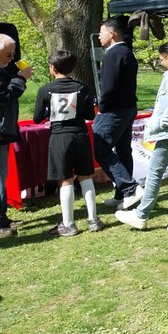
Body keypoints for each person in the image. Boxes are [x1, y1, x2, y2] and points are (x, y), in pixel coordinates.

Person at [114, 42, 168, 232]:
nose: (161, 63)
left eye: (161, 60)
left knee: (154, 173)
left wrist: (162, 122)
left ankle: (141, 215)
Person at [32, 50, 99, 236]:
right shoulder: (83, 88)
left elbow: (37, 118)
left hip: (60, 136)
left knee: (65, 180)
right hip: (80, 135)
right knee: (86, 176)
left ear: (52, 68)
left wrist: (49, 111)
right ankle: (93, 220)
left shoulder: (45, 90)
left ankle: (68, 224)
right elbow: (89, 115)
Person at [94, 18, 144, 211]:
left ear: (112, 33)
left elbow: (108, 87)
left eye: (101, 32)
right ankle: (123, 194)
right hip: (128, 107)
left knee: (102, 149)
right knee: (123, 150)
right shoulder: (126, 52)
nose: (99, 36)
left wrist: (102, 108)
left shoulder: (113, 54)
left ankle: (129, 189)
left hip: (114, 110)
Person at [0, 34, 33, 238]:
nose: (12, 58)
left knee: (2, 175)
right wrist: (21, 78)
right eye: (8, 54)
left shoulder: (4, 69)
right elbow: (4, 97)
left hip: (4, 129)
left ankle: (2, 217)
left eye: (13, 54)